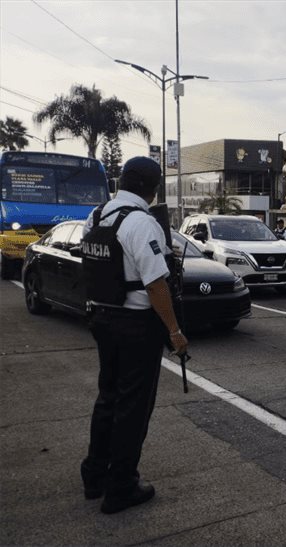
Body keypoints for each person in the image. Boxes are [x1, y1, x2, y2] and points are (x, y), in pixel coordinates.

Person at [80, 156, 188, 514]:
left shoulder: (97, 217)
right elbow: (157, 284)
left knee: (108, 398)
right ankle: (121, 486)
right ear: (152, 187)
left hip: (102, 318)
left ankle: (94, 475)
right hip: (135, 326)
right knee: (132, 407)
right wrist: (174, 331)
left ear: (124, 181)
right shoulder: (140, 222)